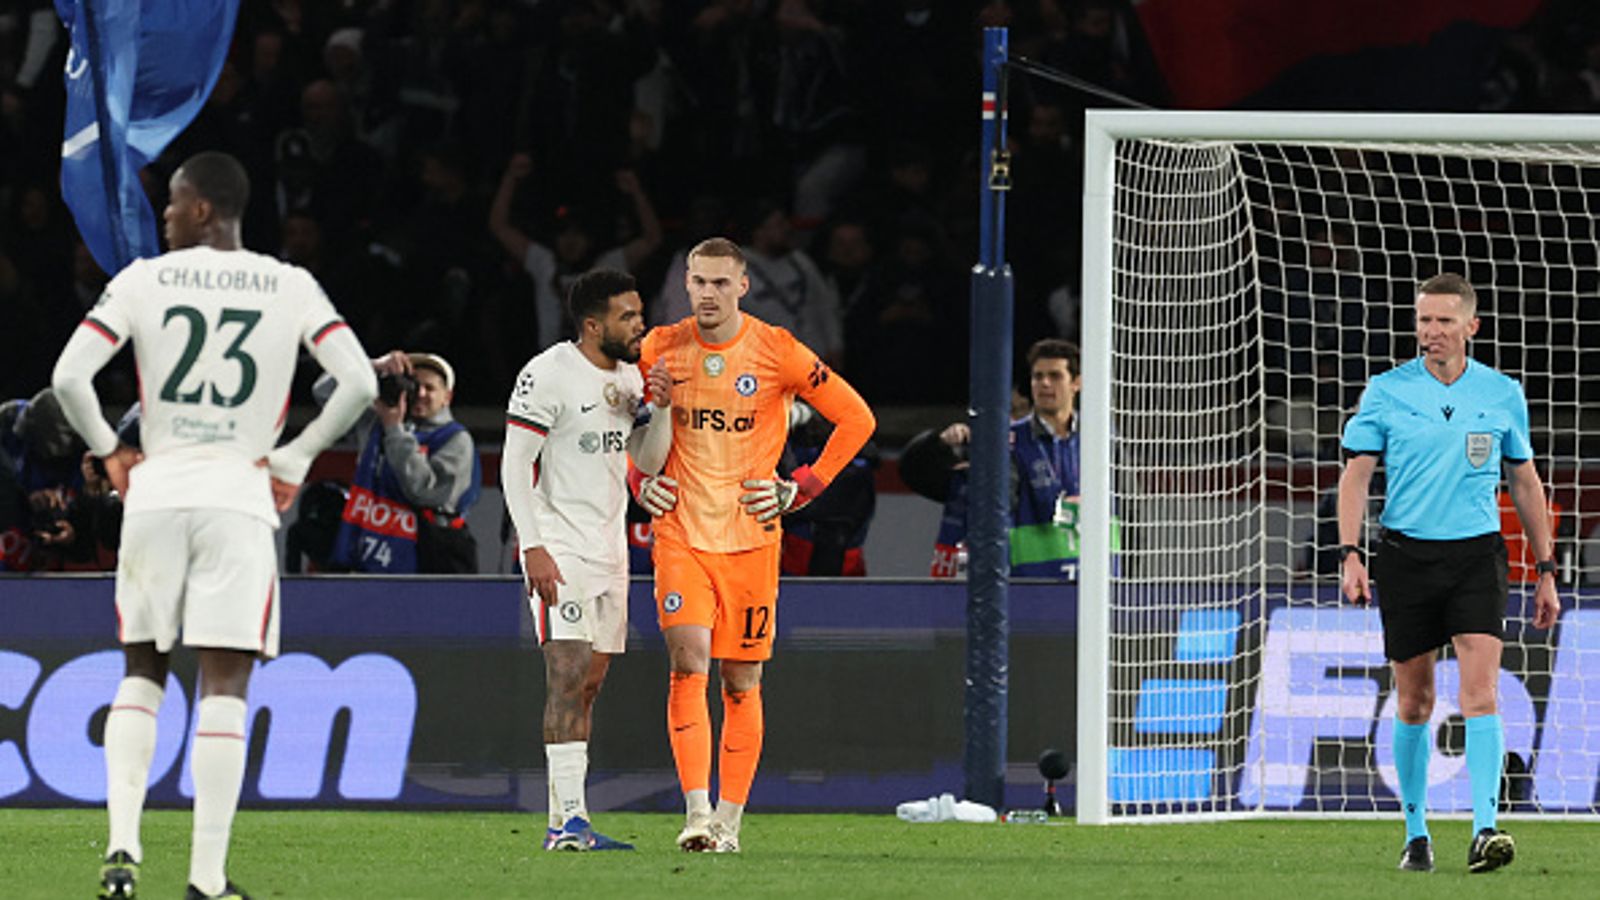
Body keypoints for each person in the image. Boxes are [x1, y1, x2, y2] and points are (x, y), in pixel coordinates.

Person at [49, 151, 377, 900]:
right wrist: (296, 456)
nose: (163, 215)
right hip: (238, 495)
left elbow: (68, 377)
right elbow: (359, 381)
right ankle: (204, 878)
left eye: (171, 202)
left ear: (203, 208)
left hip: (157, 493)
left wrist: (109, 450)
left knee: (142, 671)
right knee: (224, 686)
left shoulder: (143, 280)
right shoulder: (290, 284)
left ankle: (122, 849)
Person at [637, 237, 875, 852]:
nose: (708, 293)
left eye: (721, 282)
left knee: (741, 680)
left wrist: (803, 487)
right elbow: (620, 424)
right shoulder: (659, 347)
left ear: (743, 286)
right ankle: (696, 814)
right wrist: (638, 481)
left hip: (751, 538)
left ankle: (729, 822)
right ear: (686, 284)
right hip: (681, 532)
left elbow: (857, 418)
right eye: (698, 281)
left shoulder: (777, 350)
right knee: (688, 663)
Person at [1338, 272, 1560, 875]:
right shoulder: (1386, 391)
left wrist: (1545, 568)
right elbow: (1356, 474)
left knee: (1480, 693)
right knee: (1415, 702)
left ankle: (1485, 829)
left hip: (1476, 558)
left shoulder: (1502, 393)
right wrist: (1350, 553)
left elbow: (1524, 481)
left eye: (1443, 320)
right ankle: (1416, 835)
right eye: (1423, 320)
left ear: (1471, 326)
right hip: (1406, 558)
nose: (1430, 331)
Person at [500, 269, 674, 852]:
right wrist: (532, 545)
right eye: (629, 316)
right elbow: (513, 463)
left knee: (590, 684)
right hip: (560, 545)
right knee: (568, 671)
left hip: (610, 549)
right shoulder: (547, 373)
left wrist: (661, 409)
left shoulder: (631, 378)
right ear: (594, 325)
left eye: (640, 313)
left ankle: (565, 822)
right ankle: (571, 821)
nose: (641, 325)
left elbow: (646, 462)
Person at [918, 339, 1094, 579]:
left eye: (1055, 376)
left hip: (1096, 580)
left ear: (1076, 383)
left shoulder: (1102, 437)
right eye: (1037, 376)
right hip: (1032, 582)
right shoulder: (1008, 440)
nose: (1044, 383)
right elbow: (1000, 503)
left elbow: (1128, 507)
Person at [322, 350, 480, 574]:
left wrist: (394, 429)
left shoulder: (455, 439)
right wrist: (375, 366)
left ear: (447, 397)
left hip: (428, 564)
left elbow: (424, 492)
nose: (420, 393)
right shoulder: (376, 421)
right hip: (367, 557)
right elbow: (323, 391)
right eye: (414, 385)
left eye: (430, 388)